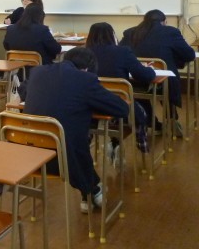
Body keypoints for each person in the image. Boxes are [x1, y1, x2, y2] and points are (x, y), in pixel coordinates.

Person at [24, 47, 129, 214]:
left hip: (28, 154)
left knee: (70, 131)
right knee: (75, 135)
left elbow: (24, 92)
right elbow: (121, 109)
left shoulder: (38, 72)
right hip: (65, 161)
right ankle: (91, 190)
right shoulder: (85, 80)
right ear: (87, 69)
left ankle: (93, 189)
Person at [119, 9, 195, 135]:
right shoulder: (170, 32)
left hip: (133, 80)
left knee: (141, 87)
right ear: (164, 21)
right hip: (163, 82)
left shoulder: (130, 32)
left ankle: (151, 122)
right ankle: (172, 118)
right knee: (165, 79)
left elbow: (121, 54)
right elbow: (189, 55)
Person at [86, 22, 154, 156]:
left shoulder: (84, 54)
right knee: (140, 113)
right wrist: (150, 69)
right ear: (112, 35)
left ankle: (112, 142)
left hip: (92, 103)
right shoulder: (123, 51)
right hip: (119, 102)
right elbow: (143, 75)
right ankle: (135, 144)